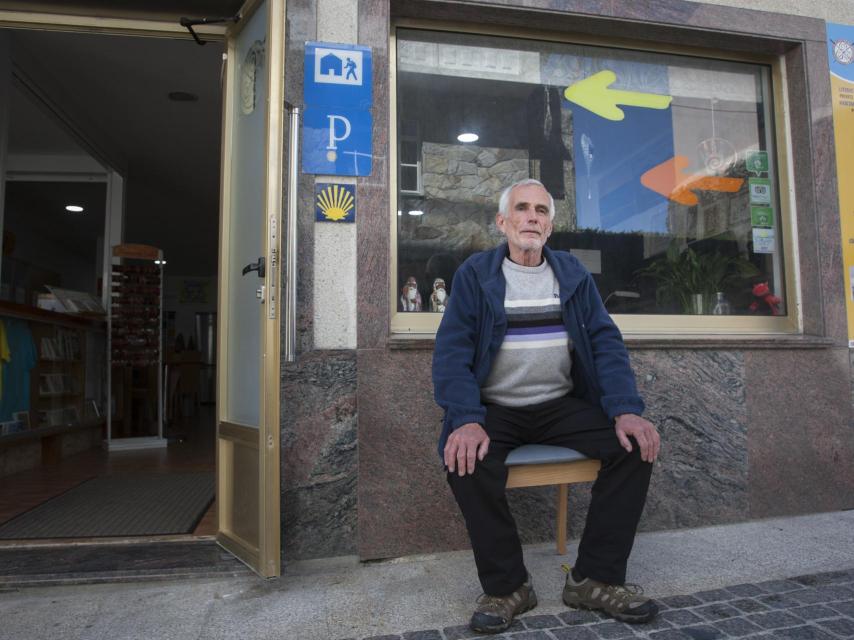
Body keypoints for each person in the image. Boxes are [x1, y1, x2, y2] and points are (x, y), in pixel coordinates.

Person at [432, 178, 661, 634]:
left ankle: (593, 578)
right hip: (496, 407)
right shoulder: (476, 276)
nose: (532, 216)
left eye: (541, 210)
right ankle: (508, 587)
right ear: (503, 221)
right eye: (522, 208)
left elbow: (604, 342)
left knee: (634, 447)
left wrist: (625, 408)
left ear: (550, 227)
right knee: (465, 461)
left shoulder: (572, 276)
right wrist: (465, 419)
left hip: (560, 404)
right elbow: (452, 353)